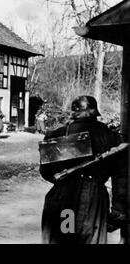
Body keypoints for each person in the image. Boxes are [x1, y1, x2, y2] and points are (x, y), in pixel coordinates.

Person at [40, 95, 125, 244]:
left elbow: (46, 171)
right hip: (93, 199)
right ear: (94, 113)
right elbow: (121, 177)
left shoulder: (58, 134)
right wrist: (118, 210)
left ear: (74, 113)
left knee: (65, 237)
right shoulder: (111, 137)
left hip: (64, 196)